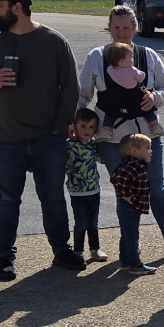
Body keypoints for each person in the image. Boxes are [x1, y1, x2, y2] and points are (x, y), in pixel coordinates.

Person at [0, 0, 83, 282]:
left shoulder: (54, 41)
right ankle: (5, 257)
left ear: (17, 8)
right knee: (7, 199)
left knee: (53, 198)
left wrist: (57, 130)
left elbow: (71, 88)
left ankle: (61, 250)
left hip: (48, 139)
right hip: (6, 139)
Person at [79, 5, 164, 266]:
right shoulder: (96, 56)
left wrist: (155, 99)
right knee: (125, 194)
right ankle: (130, 251)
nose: (121, 32)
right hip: (111, 137)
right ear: (109, 28)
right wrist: (79, 122)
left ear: (135, 28)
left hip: (147, 134)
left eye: (126, 27)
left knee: (156, 190)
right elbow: (83, 95)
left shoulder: (147, 55)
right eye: (116, 27)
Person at [111, 132, 157, 275]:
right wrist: (127, 195)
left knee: (127, 233)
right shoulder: (133, 165)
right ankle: (135, 264)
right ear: (135, 151)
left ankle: (125, 261)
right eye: (147, 148)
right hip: (129, 205)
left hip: (131, 205)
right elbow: (118, 179)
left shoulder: (134, 164)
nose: (151, 151)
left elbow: (115, 177)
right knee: (131, 235)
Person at [66, 108, 106, 263]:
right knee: (81, 223)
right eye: (83, 126)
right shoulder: (68, 146)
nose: (87, 130)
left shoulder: (94, 145)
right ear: (75, 126)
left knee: (93, 223)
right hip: (77, 192)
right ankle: (78, 251)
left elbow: (102, 159)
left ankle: (95, 249)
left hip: (94, 190)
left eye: (91, 127)